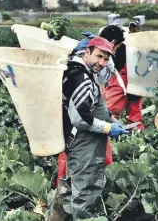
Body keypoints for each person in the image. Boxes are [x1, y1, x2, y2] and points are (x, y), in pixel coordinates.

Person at [46, 37, 128, 220]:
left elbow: (94, 107)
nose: (102, 62)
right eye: (99, 56)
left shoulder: (82, 71)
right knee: (85, 193)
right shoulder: (81, 78)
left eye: (106, 59)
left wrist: (112, 120)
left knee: (70, 186)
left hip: (81, 142)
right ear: (87, 52)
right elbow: (81, 118)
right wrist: (108, 128)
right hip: (84, 144)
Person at [99, 25, 145, 131]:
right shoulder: (128, 46)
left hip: (122, 75)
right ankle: (136, 130)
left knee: (111, 107)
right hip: (134, 76)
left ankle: (109, 129)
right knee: (134, 105)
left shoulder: (120, 49)